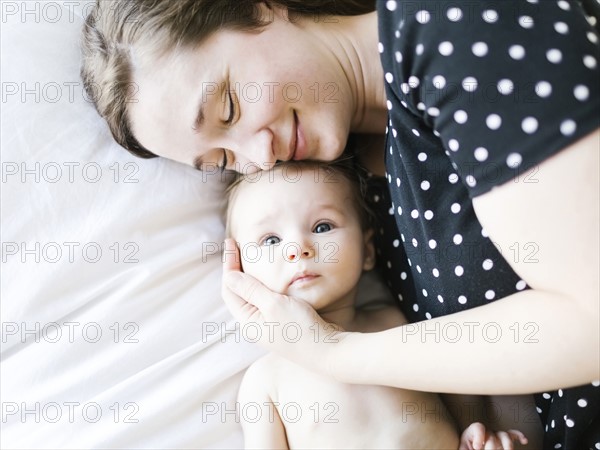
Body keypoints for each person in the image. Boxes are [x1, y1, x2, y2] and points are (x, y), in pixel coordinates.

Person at [81, 1, 599, 448]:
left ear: (262, 8)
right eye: (222, 159)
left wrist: (333, 353)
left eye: (231, 105)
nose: (259, 154)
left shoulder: (451, 26)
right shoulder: (354, 181)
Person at [225, 159, 534, 449]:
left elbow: (460, 391)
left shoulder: (395, 322)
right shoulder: (265, 381)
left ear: (368, 249)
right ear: (238, 269)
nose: (298, 249)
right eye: (270, 240)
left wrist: (475, 435)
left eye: (322, 227)